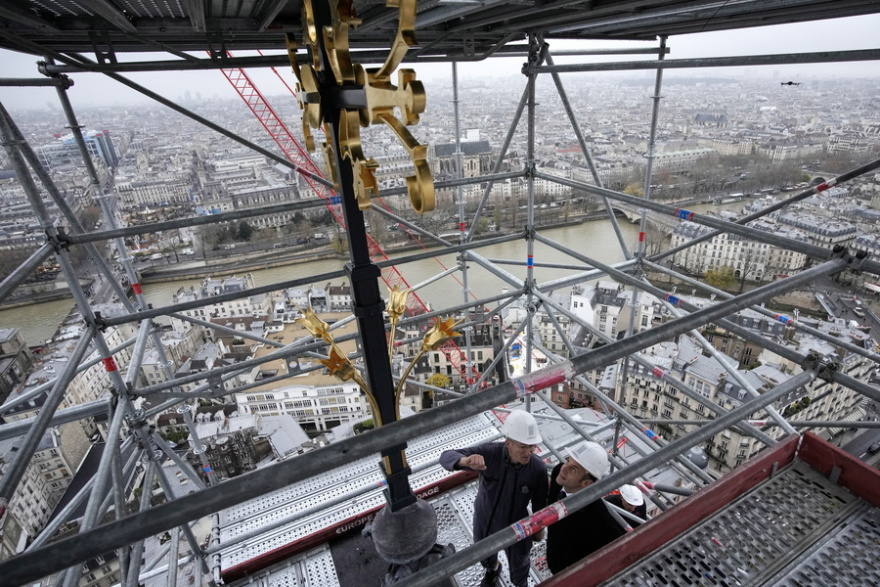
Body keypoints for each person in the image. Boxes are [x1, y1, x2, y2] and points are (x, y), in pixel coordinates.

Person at [439, 410, 549, 587]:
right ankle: (492, 569)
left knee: (519, 561)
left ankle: (520, 584)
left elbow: (539, 503)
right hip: (485, 518)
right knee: (484, 552)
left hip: (518, 525)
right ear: (508, 443)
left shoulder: (538, 469)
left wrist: (538, 527)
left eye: (532, 446)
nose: (528, 452)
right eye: (523, 446)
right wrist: (464, 461)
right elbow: (446, 456)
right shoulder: (490, 453)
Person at [545, 441, 625, 575]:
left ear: (586, 483)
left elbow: (620, 550)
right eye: (567, 461)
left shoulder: (597, 520)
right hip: (555, 558)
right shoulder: (559, 475)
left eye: (574, 469)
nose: (564, 468)